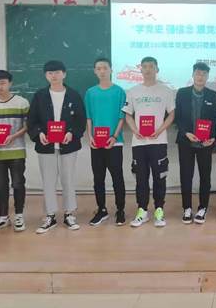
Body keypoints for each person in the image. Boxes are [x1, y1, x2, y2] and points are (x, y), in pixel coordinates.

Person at [27, 60, 86, 234]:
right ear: (46, 76)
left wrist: (72, 133)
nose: (54, 76)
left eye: (57, 72)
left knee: (68, 180)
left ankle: (69, 214)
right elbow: (32, 120)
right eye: (50, 73)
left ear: (64, 74)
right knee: (48, 181)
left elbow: (81, 120)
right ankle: (50, 216)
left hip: (68, 145)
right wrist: (39, 134)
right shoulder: (40, 95)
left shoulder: (73, 95)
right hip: (46, 146)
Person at [123, 57, 175, 228]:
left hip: (159, 141)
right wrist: (135, 130)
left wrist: (160, 130)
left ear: (157, 69)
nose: (147, 69)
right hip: (139, 143)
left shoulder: (166, 91)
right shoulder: (133, 91)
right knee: (141, 178)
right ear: (140, 69)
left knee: (160, 177)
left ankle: (159, 210)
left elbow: (172, 114)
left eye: (151, 66)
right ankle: (142, 211)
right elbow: (128, 115)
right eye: (144, 66)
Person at [0, 70, 29, 232]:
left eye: (2, 83)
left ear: (10, 83)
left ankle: (19, 215)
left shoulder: (21, 102)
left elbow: (27, 126)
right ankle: (3, 217)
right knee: (1, 185)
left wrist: (12, 136)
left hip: (16, 150)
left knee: (17, 183)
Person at [85, 57, 127, 226]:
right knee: (98, 178)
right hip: (96, 143)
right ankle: (101, 209)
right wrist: (90, 137)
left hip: (115, 142)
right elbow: (89, 117)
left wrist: (114, 136)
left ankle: (120, 210)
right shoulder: (90, 92)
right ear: (95, 71)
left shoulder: (119, 91)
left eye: (105, 68)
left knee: (117, 177)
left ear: (111, 70)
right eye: (98, 68)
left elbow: (122, 117)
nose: (102, 71)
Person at [174, 62, 216, 224]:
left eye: (204, 74)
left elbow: (213, 119)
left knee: (205, 176)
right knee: (186, 176)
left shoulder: (212, 95)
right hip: (186, 142)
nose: (201, 77)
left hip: (204, 143)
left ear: (207, 77)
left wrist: (212, 139)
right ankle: (187, 208)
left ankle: (202, 208)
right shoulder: (182, 93)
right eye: (198, 73)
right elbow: (178, 117)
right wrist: (186, 133)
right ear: (193, 75)